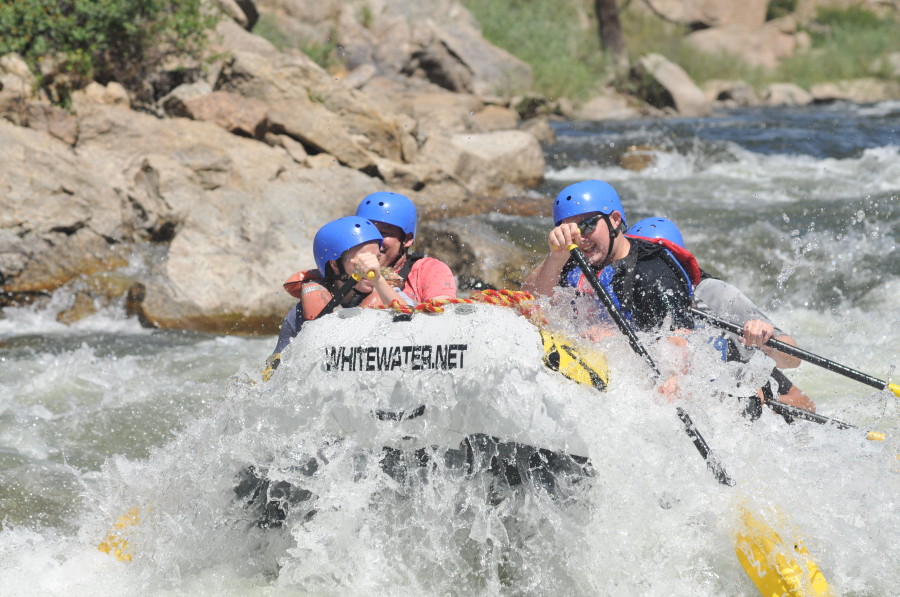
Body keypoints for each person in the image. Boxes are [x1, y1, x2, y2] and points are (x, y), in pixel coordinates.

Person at [626, 217, 815, 414]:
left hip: (742, 402)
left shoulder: (714, 297)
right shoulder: (629, 307)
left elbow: (803, 395)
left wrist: (767, 343)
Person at [522, 180, 697, 334]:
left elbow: (677, 353)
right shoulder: (570, 256)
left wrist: (615, 344)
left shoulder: (651, 273)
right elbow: (527, 303)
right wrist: (555, 257)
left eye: (587, 225)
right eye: (569, 230)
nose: (580, 238)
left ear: (614, 219)